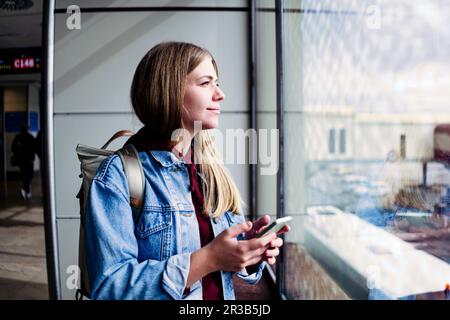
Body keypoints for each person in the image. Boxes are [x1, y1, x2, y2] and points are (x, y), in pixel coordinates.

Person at [83, 42, 290, 300]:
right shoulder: (118, 175)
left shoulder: (208, 169)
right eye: (206, 83)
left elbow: (223, 260)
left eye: (217, 82)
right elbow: (110, 289)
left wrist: (248, 249)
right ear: (169, 91)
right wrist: (209, 259)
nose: (220, 94)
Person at [11, 123, 36, 200]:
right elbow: (35, 147)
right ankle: (25, 189)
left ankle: (27, 192)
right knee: (30, 175)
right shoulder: (30, 137)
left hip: (20, 161)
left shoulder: (18, 137)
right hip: (29, 160)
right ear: (27, 129)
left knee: (25, 175)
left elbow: (13, 148)